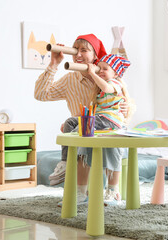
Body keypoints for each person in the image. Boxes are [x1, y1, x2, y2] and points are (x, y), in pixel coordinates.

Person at [34, 34, 130, 204]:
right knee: (79, 141)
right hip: (84, 132)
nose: (78, 55)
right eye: (75, 51)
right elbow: (41, 94)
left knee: (111, 145)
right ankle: (80, 192)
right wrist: (53, 64)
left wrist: (127, 108)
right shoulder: (70, 79)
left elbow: (125, 100)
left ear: (95, 56)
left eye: (84, 50)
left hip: (107, 129)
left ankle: (112, 191)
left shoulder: (105, 75)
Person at [70, 54, 131, 205]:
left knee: (82, 132)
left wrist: (92, 73)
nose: (101, 71)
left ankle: (112, 190)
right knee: (72, 125)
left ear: (116, 73)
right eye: (100, 68)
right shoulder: (99, 90)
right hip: (101, 120)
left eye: (106, 69)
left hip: (111, 122)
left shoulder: (115, 83)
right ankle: (68, 166)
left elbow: (106, 87)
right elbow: (95, 108)